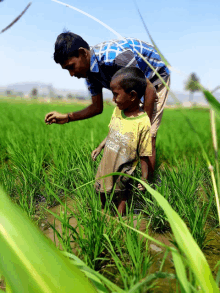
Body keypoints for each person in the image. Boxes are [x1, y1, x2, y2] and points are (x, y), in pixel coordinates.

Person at [45, 32, 170, 181]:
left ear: (83, 53)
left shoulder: (116, 57)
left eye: (72, 67)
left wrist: (143, 125)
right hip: (128, 88)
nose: (72, 74)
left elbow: (148, 90)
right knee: (124, 133)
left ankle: (149, 185)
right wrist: (67, 117)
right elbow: (97, 107)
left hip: (154, 78)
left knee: (147, 137)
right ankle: (126, 178)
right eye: (67, 70)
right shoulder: (89, 73)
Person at [91, 67, 152, 215]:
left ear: (132, 96)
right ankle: (103, 212)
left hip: (124, 167)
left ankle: (120, 220)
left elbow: (144, 153)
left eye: (116, 95)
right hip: (108, 160)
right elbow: (112, 132)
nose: (113, 99)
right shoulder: (118, 110)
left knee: (122, 194)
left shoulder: (142, 122)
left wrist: (144, 178)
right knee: (102, 188)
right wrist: (100, 147)